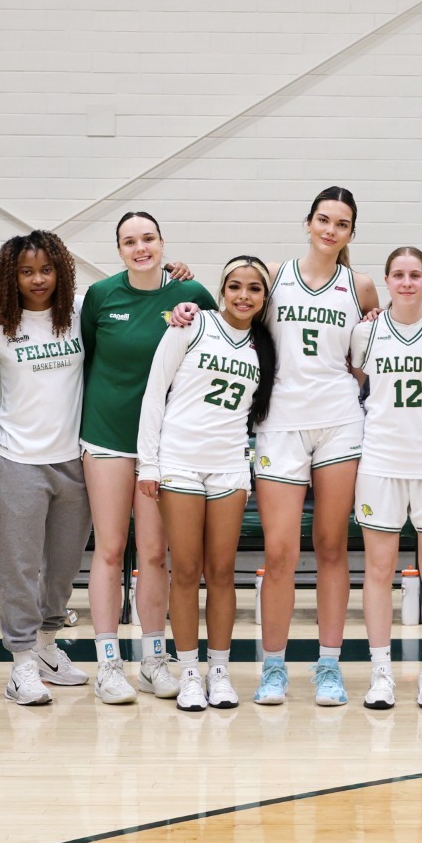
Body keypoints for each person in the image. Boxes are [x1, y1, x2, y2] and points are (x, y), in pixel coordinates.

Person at [177, 188, 378, 708]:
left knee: (332, 547)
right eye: (323, 220)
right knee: (280, 552)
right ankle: (273, 667)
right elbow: (232, 312)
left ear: (351, 233)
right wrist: (183, 299)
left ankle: (328, 665)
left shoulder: (360, 286)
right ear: (308, 223)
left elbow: (370, 353)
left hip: (339, 423)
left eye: (341, 224)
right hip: (280, 424)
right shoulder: (273, 274)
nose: (330, 230)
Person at [79, 213, 216, 704]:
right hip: (108, 436)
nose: (141, 248)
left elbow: (217, 348)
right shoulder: (101, 296)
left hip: (164, 442)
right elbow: (88, 358)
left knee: (156, 553)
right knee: (110, 549)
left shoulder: (192, 293)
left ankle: (154, 660)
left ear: (162, 242)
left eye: (148, 238)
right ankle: (108, 665)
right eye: (129, 241)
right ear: (119, 249)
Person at [136, 256, 275, 713]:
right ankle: (190, 673)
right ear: (222, 290)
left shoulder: (265, 345)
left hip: (229, 465)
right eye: (235, 286)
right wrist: (148, 464)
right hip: (179, 461)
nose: (243, 296)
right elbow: (155, 392)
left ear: (264, 297)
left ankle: (219, 670)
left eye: (254, 288)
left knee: (222, 571)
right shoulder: (192, 325)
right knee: (186, 569)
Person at [0, 231, 92, 707]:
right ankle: (21, 662)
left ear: (60, 270)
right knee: (20, 567)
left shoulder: (79, 314)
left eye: (46, 269)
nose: (38, 279)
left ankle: (47, 647)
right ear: (11, 276)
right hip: (18, 460)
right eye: (26, 271)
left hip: (74, 460)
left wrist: (176, 277)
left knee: (64, 567)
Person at [350, 247, 422, 711]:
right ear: (387, 280)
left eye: (415, 274)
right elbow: (350, 386)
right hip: (381, 460)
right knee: (378, 570)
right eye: (398, 274)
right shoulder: (366, 332)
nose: (407, 282)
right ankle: (381, 674)